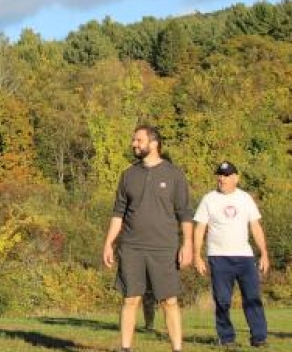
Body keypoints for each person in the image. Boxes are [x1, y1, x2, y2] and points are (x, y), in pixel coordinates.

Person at [102, 125, 194, 352]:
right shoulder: (128, 175)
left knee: (169, 301)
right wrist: (108, 243)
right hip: (132, 247)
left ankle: (177, 348)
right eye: (134, 140)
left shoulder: (174, 174)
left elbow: (185, 214)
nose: (134, 144)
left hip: (164, 248)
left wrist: (188, 244)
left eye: (138, 140)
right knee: (130, 299)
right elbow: (118, 213)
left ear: (153, 144)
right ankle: (125, 348)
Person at [193, 161, 269, 348]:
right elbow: (199, 228)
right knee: (222, 300)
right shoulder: (208, 199)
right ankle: (226, 338)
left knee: (252, 298)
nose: (222, 178)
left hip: (245, 257)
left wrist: (264, 253)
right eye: (219, 175)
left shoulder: (245, 199)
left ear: (236, 178)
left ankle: (259, 337)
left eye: (226, 175)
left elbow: (255, 227)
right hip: (219, 257)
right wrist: (197, 255)